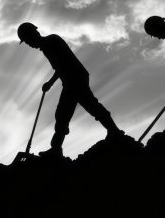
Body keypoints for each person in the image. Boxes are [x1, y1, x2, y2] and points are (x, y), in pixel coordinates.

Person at [17, 22, 123, 157]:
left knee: (85, 107)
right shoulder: (46, 46)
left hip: (75, 78)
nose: (29, 45)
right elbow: (58, 68)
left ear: (33, 35)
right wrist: (50, 83)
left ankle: (114, 132)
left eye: (27, 41)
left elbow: (62, 64)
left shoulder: (51, 41)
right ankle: (56, 149)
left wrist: (50, 83)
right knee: (65, 113)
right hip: (71, 80)